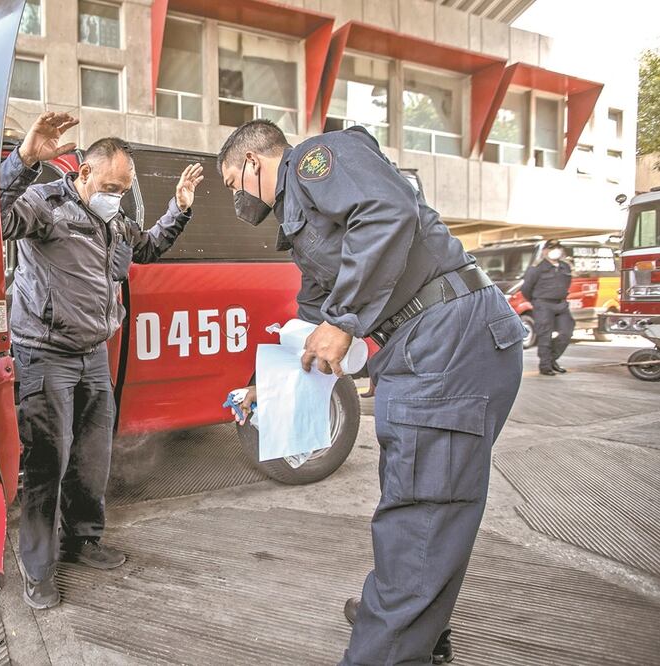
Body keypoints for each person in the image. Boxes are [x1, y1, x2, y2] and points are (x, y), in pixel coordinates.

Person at [217, 120, 523, 664]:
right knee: (425, 502)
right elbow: (311, 325)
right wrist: (266, 387)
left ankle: (393, 639)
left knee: (421, 511)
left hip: (444, 338)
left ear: (253, 164)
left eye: (231, 183)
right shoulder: (302, 225)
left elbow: (388, 212)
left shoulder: (316, 159)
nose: (234, 198)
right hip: (432, 342)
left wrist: (343, 318)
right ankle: (410, 617)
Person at [0, 112, 204, 610]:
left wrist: (178, 209)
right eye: (112, 184)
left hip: (93, 355)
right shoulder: (44, 205)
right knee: (47, 462)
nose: (118, 193)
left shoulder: (113, 219)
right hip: (45, 354)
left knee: (93, 457)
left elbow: (148, 247)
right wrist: (24, 160)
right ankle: (37, 567)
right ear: (84, 173)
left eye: (125, 185)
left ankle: (82, 539)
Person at [522, 240, 574, 376]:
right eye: (551, 248)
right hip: (543, 304)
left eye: (557, 248)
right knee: (544, 335)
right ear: (545, 251)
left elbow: (567, 284)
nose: (555, 250)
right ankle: (545, 366)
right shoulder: (537, 268)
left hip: (561, 304)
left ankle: (552, 359)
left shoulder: (565, 267)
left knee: (566, 333)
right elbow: (526, 288)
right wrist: (537, 302)